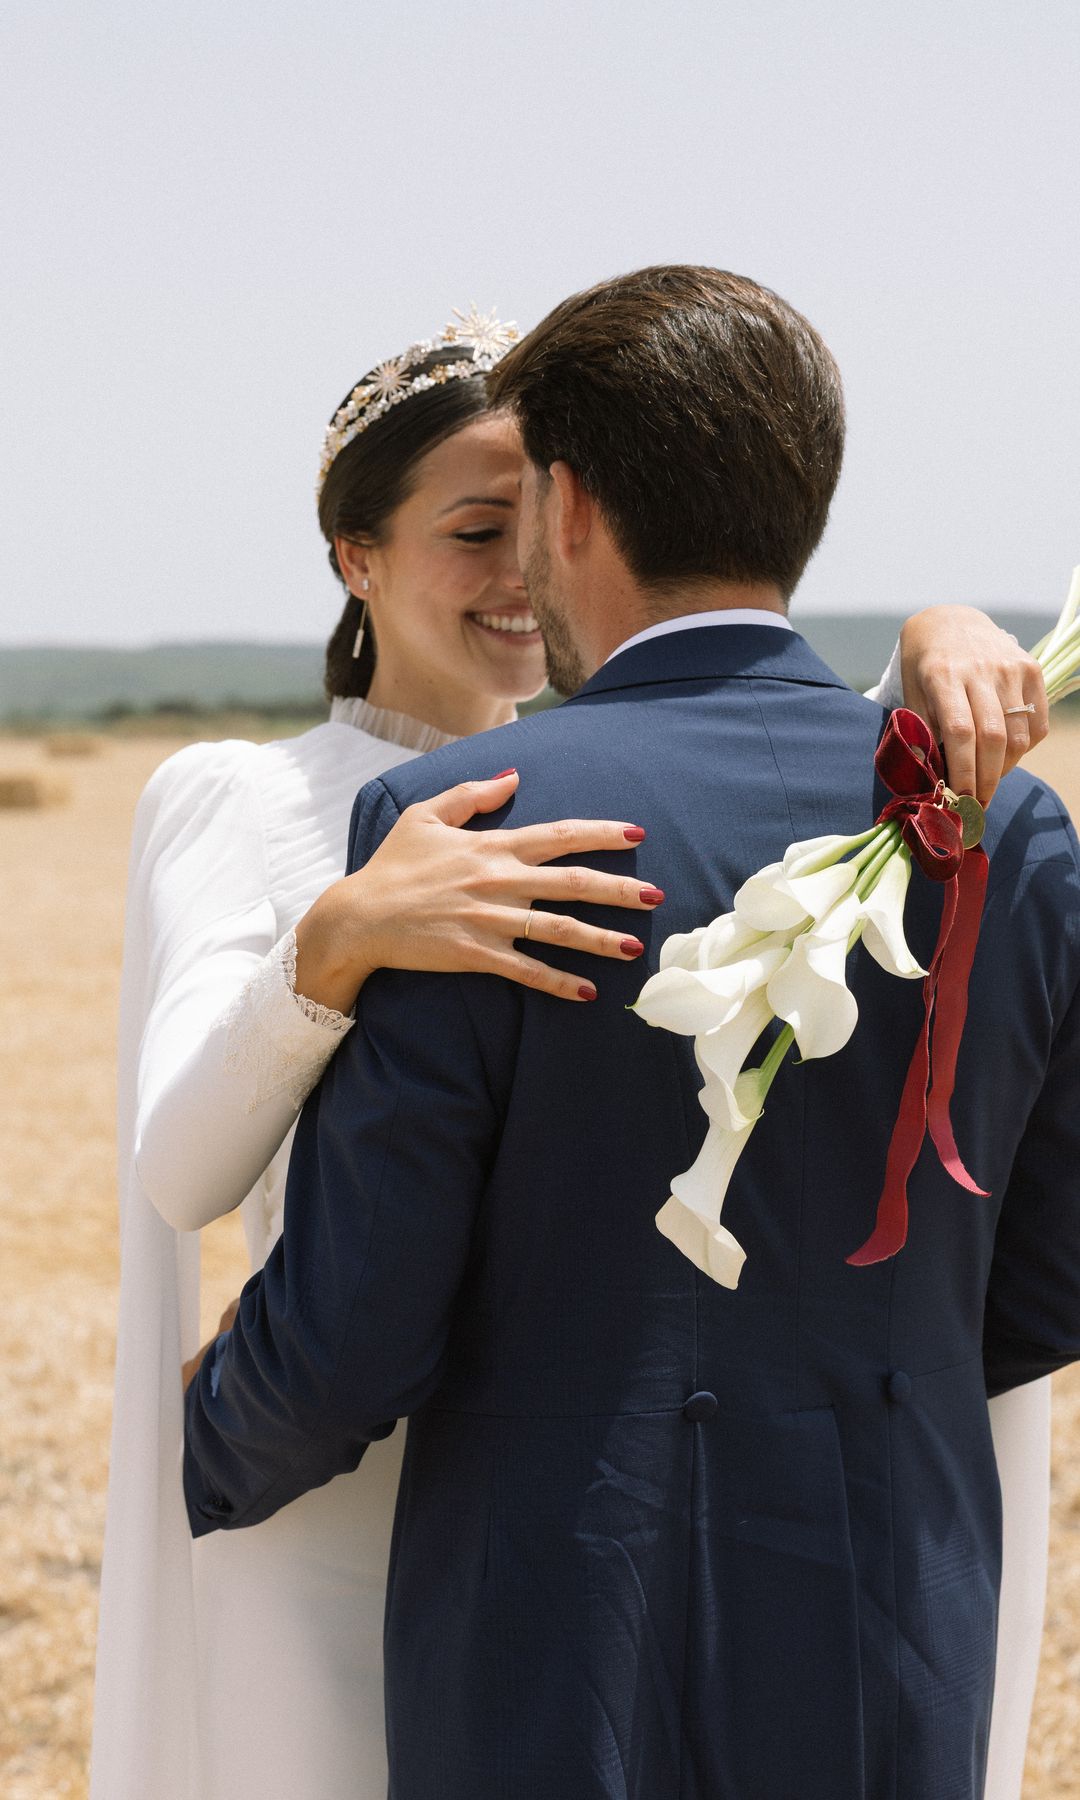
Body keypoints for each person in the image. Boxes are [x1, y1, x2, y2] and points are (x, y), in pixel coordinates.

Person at [182, 267, 1079, 1800]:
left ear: (573, 505)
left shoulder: (469, 825)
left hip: (554, 1645)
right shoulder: (1004, 829)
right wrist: (847, 1380)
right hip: (891, 1633)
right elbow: (1051, 1269)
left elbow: (358, 1324)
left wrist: (214, 1425)